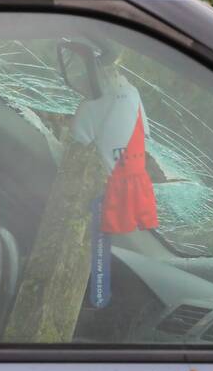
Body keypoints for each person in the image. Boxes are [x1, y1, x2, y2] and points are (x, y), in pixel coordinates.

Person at [60, 40, 158, 234]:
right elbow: (144, 132)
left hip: (102, 190)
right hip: (119, 184)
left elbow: (77, 140)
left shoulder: (92, 106)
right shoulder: (132, 93)